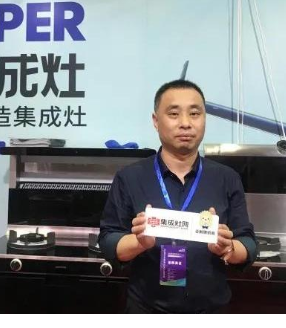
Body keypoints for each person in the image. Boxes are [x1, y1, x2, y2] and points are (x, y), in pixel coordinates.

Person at [99, 79, 256, 313]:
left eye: (194, 114)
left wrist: (228, 247)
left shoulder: (227, 178)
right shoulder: (129, 177)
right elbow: (108, 241)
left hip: (210, 311)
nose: (185, 123)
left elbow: (249, 244)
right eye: (174, 114)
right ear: (156, 121)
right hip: (146, 310)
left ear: (204, 119)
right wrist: (139, 242)